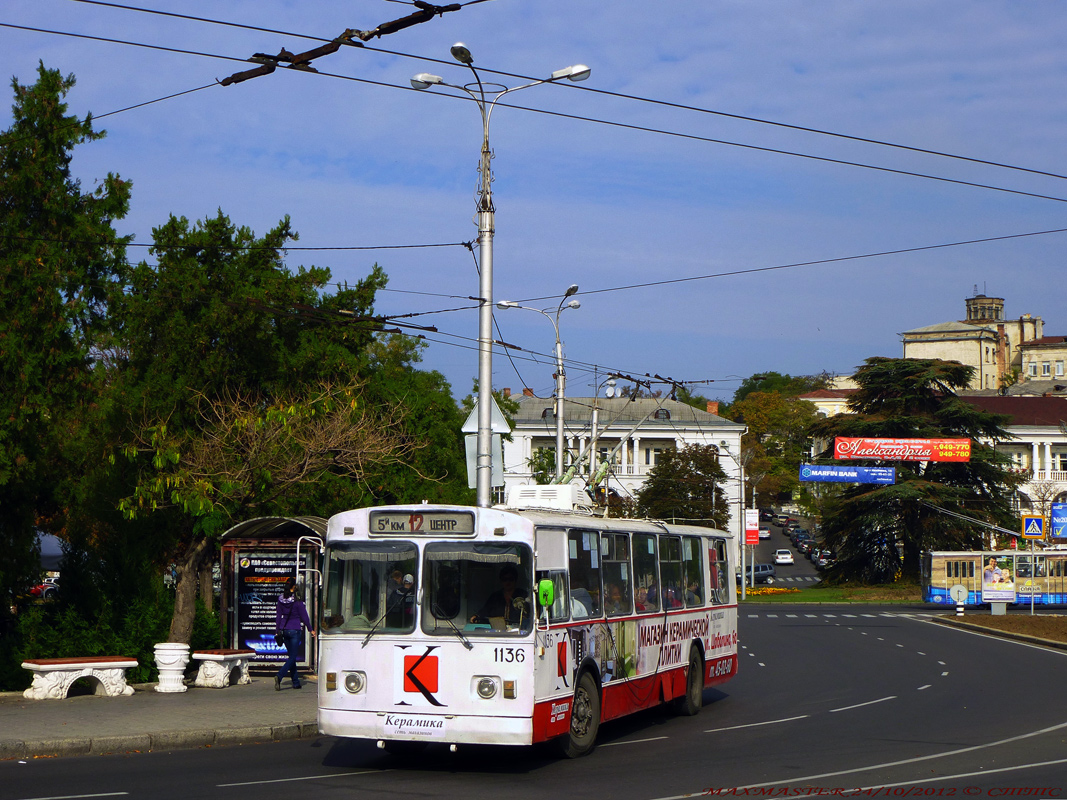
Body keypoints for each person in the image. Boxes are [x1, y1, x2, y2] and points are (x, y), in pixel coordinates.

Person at [275, 577, 315, 691]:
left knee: (291, 656)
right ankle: (279, 676)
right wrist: (310, 629)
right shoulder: (297, 601)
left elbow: (278, 616)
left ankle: (296, 682)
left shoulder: (281, 599)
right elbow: (304, 617)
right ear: (294, 587)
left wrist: (277, 630)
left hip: (284, 630)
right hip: (295, 630)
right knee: (293, 657)